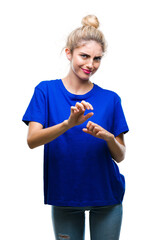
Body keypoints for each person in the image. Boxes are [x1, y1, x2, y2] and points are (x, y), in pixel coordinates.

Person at [22, 14, 129, 240]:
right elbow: (32, 140)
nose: (91, 65)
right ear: (69, 53)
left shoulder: (111, 99)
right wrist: (68, 124)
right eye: (84, 56)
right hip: (65, 196)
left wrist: (109, 138)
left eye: (97, 58)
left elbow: (120, 156)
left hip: (106, 196)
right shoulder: (46, 91)